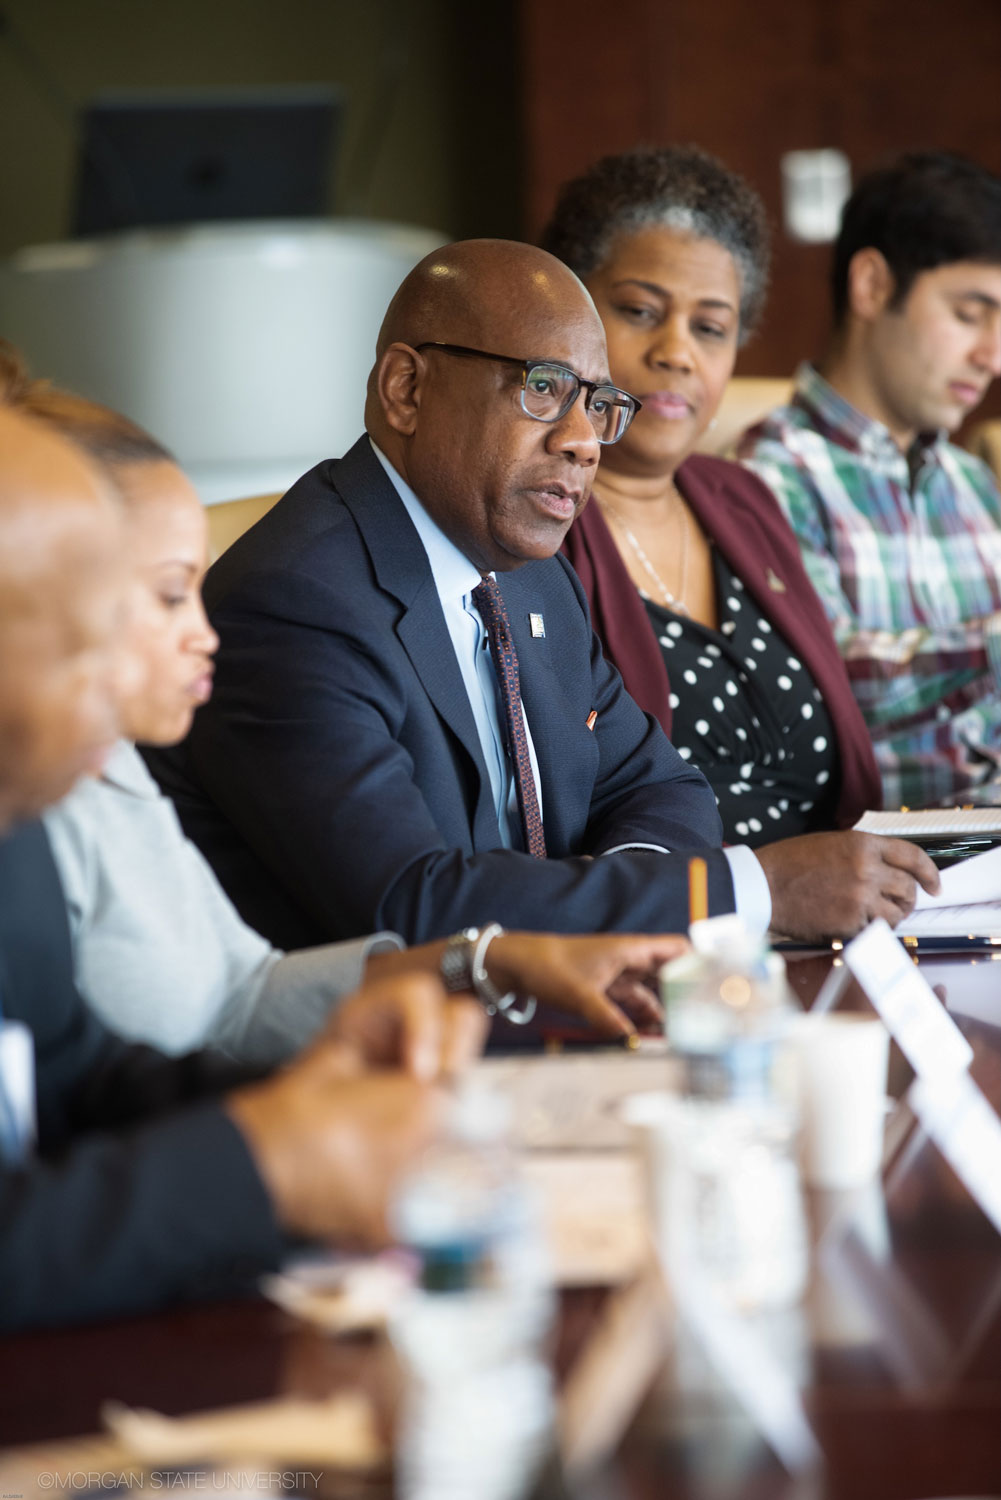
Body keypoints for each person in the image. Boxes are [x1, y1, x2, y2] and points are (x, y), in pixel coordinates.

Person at [148, 239, 934, 946]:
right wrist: (741, 892)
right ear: (405, 388)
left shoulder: (530, 573)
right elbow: (407, 910)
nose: (582, 441)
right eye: (544, 388)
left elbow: (659, 785)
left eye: (597, 404)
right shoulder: (294, 603)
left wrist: (630, 912)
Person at [1, 348, 677, 1058]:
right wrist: (280, 1139)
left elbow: (242, 993)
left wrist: (492, 965)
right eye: (171, 596)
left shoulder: (112, 773)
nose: (205, 632)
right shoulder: (292, 600)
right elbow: (72, 1123)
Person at [541, 145, 938, 930]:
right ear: (570, 321)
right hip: (672, 945)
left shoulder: (743, 501)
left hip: (845, 932)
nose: (676, 353)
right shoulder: (537, 524)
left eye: (710, 327)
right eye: (639, 311)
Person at [737, 151, 1001, 808]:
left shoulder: (970, 479)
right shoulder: (767, 475)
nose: (992, 356)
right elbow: (821, 689)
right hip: (888, 867)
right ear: (871, 285)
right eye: (970, 315)